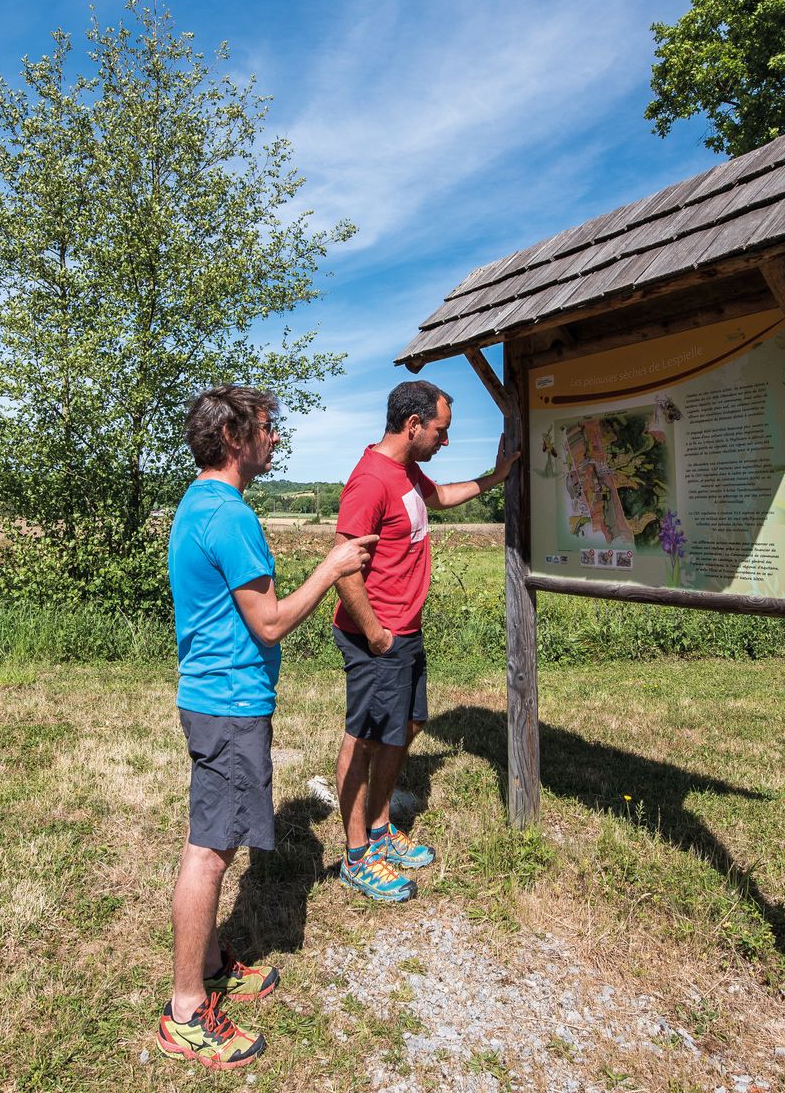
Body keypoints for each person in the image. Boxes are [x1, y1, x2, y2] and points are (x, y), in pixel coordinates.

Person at [158, 385, 377, 1070]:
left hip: (220, 698)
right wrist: (334, 566)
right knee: (211, 847)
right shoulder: (228, 516)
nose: (274, 439)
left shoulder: (202, 504)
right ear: (233, 438)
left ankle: (215, 960)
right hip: (227, 704)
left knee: (216, 836)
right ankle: (187, 1009)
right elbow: (273, 620)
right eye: (265, 428)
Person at [332, 379, 515, 901]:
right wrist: (375, 633)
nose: (445, 441)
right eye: (441, 431)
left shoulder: (407, 471)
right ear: (413, 426)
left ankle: (381, 828)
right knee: (365, 737)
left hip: (403, 631)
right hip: (377, 637)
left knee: (407, 725)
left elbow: (445, 497)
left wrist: (496, 477)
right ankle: (357, 856)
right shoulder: (370, 480)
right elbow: (343, 565)